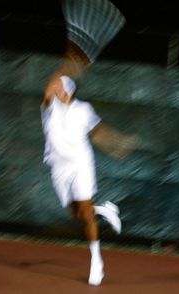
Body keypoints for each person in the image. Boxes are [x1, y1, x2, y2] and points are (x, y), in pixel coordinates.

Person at [41, 75, 138, 286]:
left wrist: (118, 143)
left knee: (86, 213)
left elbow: (97, 133)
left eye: (60, 86)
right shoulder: (49, 106)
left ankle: (96, 261)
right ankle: (105, 210)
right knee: (77, 214)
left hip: (80, 163)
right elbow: (48, 90)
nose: (56, 89)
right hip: (58, 168)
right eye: (55, 86)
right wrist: (61, 70)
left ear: (69, 90)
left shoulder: (84, 109)